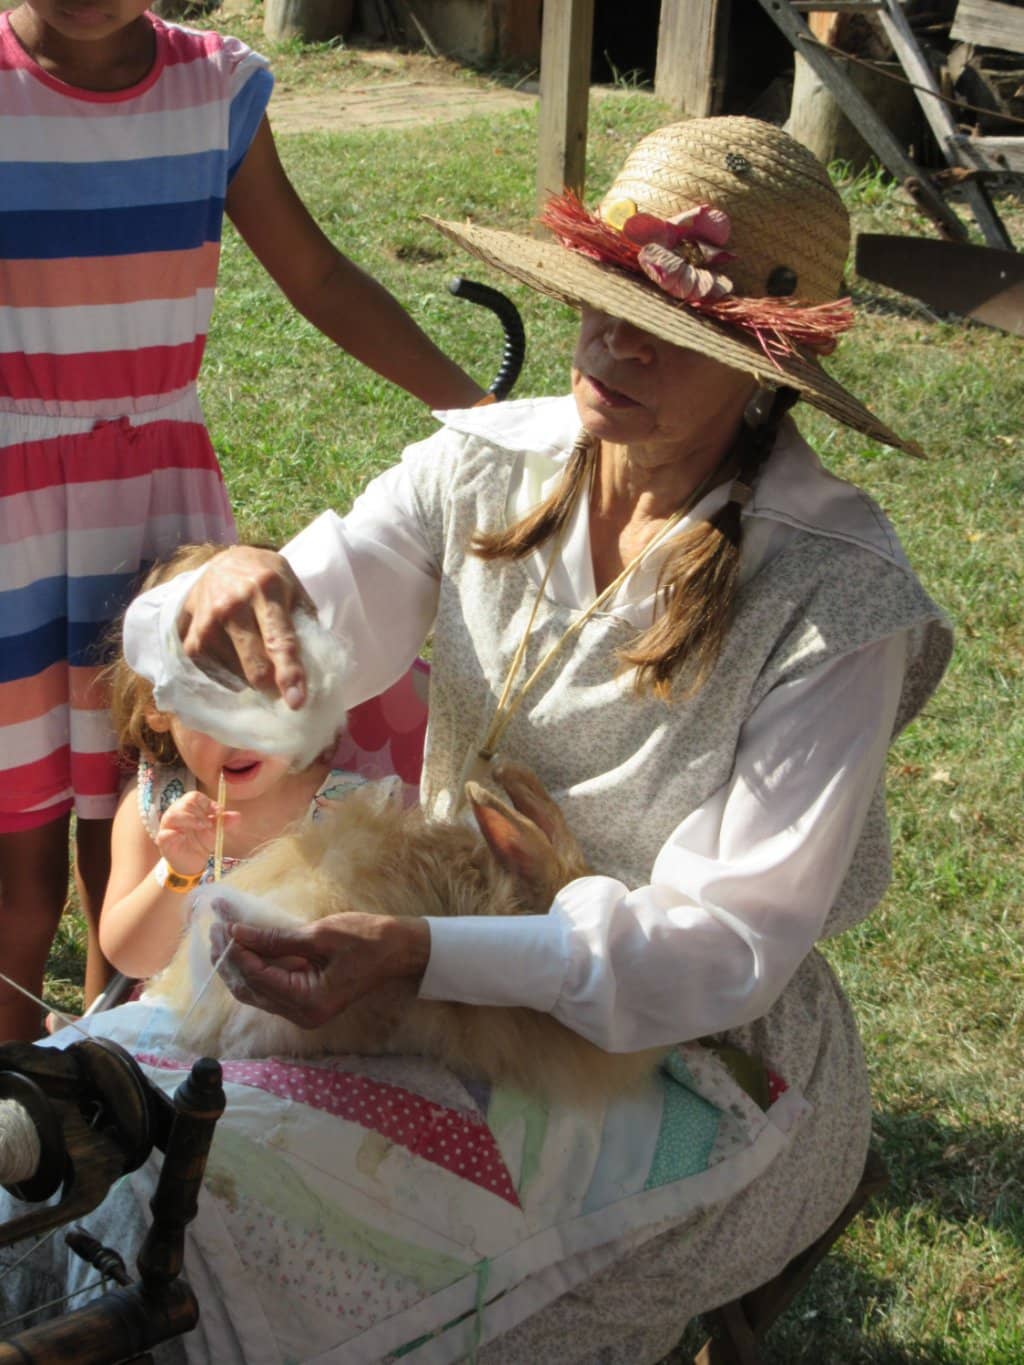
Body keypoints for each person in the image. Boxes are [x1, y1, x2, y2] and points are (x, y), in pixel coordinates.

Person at [113, 117, 951, 1361]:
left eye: (671, 332)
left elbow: (722, 949)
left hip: (682, 1054)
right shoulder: (481, 469)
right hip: (423, 954)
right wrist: (216, 598)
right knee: (103, 1134)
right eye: (600, 299)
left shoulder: (836, 594)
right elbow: (260, 673)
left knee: (259, 1244)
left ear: (764, 368)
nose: (615, 343)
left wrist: (426, 954)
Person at [0, 0, 481, 1039]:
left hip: (158, 510)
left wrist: (479, 416)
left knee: (152, 797)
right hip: (10, 508)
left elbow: (313, 273)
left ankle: (112, 1069)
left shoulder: (215, 88)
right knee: (17, 857)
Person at [99, 542, 382, 982]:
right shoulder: (156, 805)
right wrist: (177, 873)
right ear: (159, 708)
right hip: (181, 1031)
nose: (238, 737)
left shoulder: (348, 813)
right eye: (211, 712)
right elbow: (129, 959)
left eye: (260, 708)